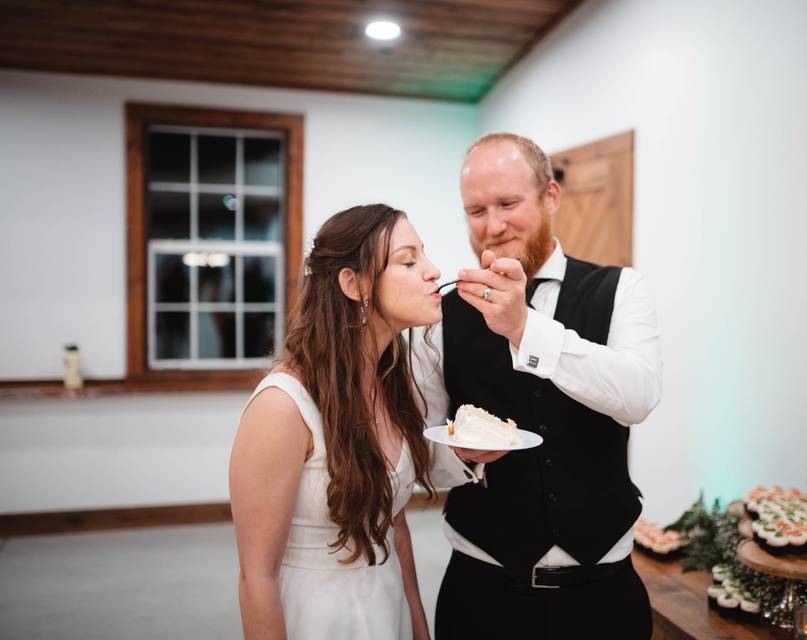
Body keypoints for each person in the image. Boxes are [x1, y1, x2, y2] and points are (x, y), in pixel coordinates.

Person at [413, 133, 663, 639]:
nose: (493, 225)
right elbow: (422, 448)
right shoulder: (439, 317)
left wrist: (524, 329)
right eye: (476, 210)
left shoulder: (621, 289)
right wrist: (462, 458)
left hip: (604, 593)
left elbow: (639, 396)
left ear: (550, 196)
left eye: (508, 203)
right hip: (481, 591)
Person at [230, 204, 488, 640]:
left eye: (424, 256)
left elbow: (393, 523)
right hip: (316, 615)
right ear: (354, 284)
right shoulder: (283, 405)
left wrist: (419, 627)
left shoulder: (394, 384)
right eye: (409, 261)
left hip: (386, 609)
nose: (433, 271)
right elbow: (257, 577)